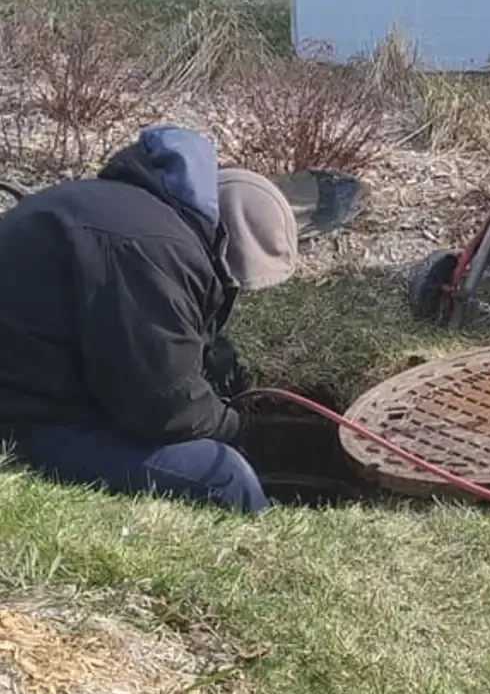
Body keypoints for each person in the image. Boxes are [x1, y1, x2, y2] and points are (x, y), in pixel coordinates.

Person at [0, 125, 298, 514]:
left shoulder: (130, 210)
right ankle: (261, 560)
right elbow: (161, 407)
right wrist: (235, 429)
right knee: (225, 477)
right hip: (23, 423)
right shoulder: (154, 250)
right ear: (224, 242)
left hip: (34, 391)